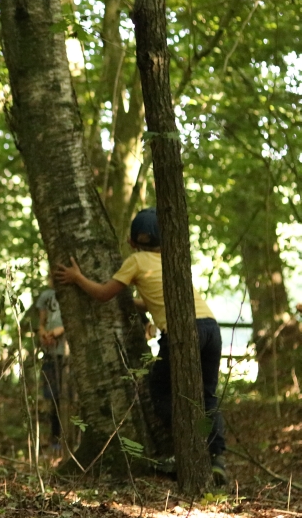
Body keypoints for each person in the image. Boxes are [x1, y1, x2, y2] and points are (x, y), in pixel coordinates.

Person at [55, 208, 228, 486]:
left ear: (132, 241)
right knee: (207, 396)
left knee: (160, 391)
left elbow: (101, 294)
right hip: (210, 327)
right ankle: (216, 457)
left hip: (184, 331)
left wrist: (77, 278)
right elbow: (155, 301)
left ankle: (186, 451)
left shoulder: (136, 261)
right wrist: (129, 303)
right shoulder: (172, 261)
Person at [35, 276, 66, 454]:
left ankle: (67, 437)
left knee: (66, 397)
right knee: (52, 397)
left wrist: (60, 331)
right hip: (50, 353)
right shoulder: (46, 295)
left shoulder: (69, 294)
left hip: (66, 353)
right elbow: (41, 323)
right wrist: (44, 334)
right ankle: (54, 439)